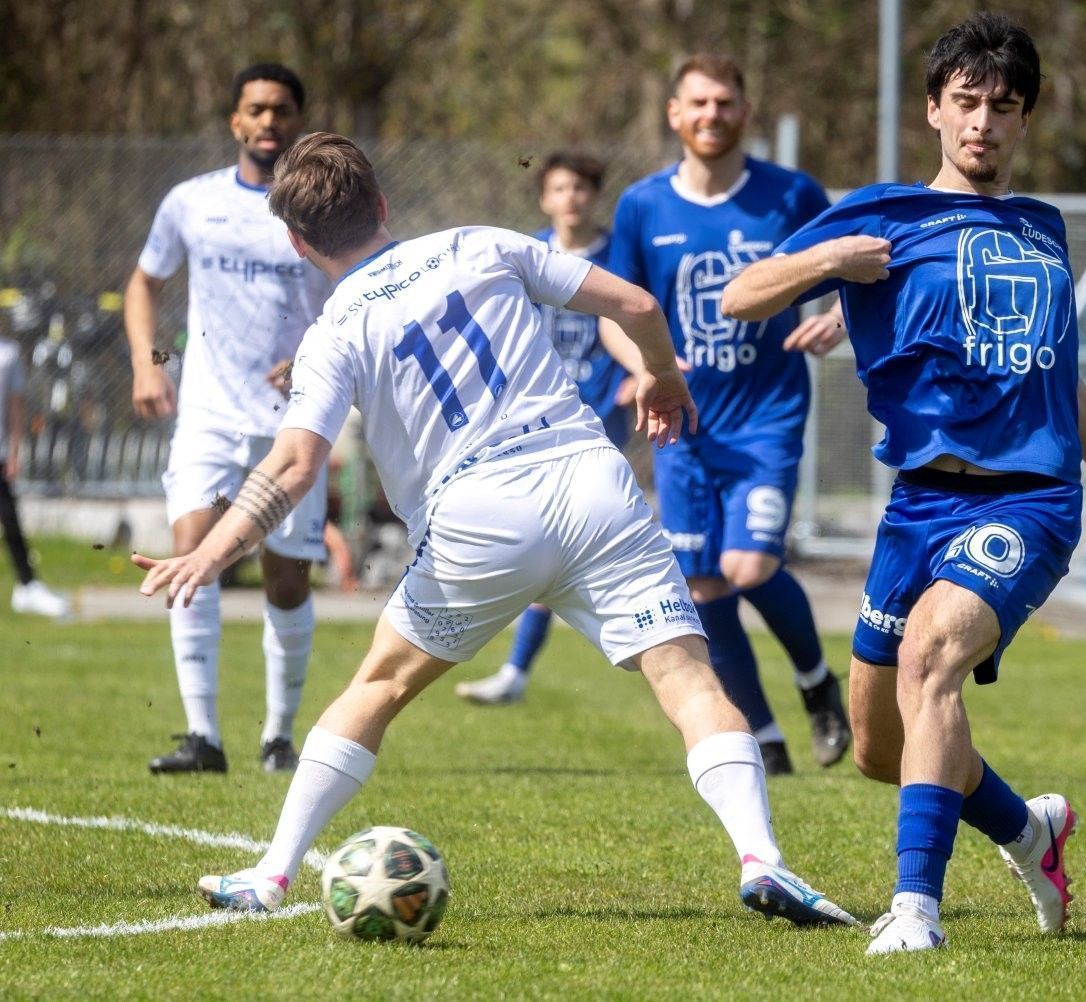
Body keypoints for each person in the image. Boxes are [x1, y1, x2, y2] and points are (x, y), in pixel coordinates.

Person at [132, 132, 855, 927]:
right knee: (688, 680)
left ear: (299, 245)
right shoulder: (479, 243)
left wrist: (211, 547)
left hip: (478, 523)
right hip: (590, 486)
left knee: (377, 686)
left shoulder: (333, 329)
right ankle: (764, 859)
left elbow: (296, 464)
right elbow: (639, 306)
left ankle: (270, 875)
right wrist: (664, 376)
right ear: (380, 204)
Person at [721, 12, 1086, 953]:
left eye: (1003, 108)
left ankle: (915, 912)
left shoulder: (1043, 230)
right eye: (965, 103)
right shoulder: (884, 214)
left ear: (1024, 122)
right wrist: (828, 263)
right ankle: (1028, 829)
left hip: (1029, 501)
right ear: (933, 109)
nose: (983, 123)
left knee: (933, 659)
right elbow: (742, 294)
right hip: (918, 503)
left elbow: (1060, 377)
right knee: (883, 750)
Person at [602, 53, 851, 775]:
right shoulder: (643, 206)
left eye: (725, 102)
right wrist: (647, 367)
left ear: (745, 111)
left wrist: (838, 316)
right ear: (675, 114)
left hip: (767, 416)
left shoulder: (790, 196)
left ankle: (816, 684)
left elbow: (863, 269)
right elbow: (612, 313)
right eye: (698, 104)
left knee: (748, 564)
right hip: (682, 428)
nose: (712, 115)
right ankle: (765, 740)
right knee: (705, 584)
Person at [123, 63, 333, 775]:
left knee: (286, 580)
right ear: (235, 121)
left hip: (293, 421)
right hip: (209, 413)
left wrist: (315, 353)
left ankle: (278, 737)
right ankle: (202, 737)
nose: (267, 120)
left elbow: (361, 287)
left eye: (280, 109)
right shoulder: (190, 202)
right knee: (192, 556)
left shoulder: (322, 207)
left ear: (298, 120)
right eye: (255, 109)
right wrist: (149, 363)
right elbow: (144, 283)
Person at [455, 151, 635, 705]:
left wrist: (640, 368)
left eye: (581, 187)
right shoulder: (526, 252)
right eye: (559, 188)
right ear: (544, 199)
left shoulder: (617, 255)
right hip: (534, 417)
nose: (571, 198)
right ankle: (521, 670)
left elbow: (635, 315)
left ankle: (520, 670)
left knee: (563, 540)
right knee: (559, 541)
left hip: (600, 414)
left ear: (594, 195)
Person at [0, 334, 72, 618]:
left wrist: (15, 451)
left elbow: (16, 406)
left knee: (10, 521)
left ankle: (27, 586)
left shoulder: (8, 353)